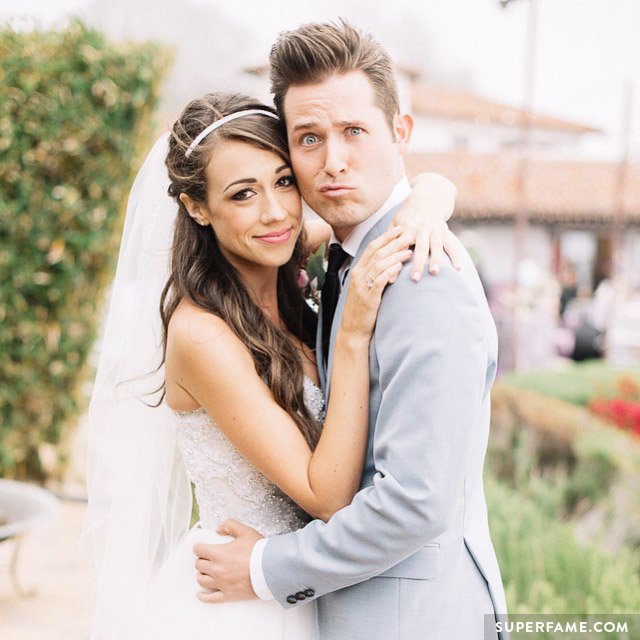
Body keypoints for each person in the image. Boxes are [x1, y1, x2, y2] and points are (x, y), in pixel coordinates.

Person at [82, 90, 459, 639]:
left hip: (305, 589)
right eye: (242, 194)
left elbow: (416, 191)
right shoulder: (201, 334)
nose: (275, 211)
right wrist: (351, 334)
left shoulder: (282, 250)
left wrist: (426, 201)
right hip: (240, 603)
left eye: (283, 180)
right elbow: (326, 495)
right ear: (197, 207)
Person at [194, 20, 508, 640]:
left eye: (354, 132)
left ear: (401, 133)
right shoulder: (330, 255)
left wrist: (263, 568)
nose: (332, 162)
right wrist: (430, 192)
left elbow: (415, 503)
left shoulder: (423, 274)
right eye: (308, 139)